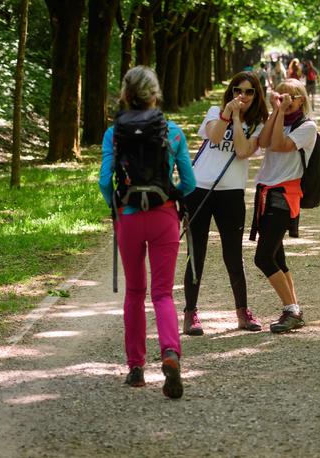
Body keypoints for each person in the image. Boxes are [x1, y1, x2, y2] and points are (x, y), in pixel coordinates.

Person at [98, 66, 195, 397]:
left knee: (135, 293)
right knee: (163, 293)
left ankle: (136, 369)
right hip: (164, 215)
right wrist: (175, 195)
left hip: (129, 217)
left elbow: (103, 181)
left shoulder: (114, 133)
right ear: (156, 94)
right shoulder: (174, 132)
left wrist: (117, 203)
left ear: (125, 94)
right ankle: (170, 352)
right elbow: (190, 183)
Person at [183, 71, 269, 336]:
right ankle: (190, 314)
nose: (242, 96)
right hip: (199, 189)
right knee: (196, 253)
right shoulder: (213, 111)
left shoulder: (257, 124)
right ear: (230, 92)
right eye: (237, 90)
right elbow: (215, 137)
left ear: (257, 95)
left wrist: (237, 119)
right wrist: (227, 115)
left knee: (233, 255)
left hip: (231, 193)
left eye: (249, 91)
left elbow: (243, 151)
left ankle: (242, 312)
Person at [251, 78, 317, 333]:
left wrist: (279, 111)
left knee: (263, 257)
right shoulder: (277, 118)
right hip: (266, 193)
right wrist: (276, 111)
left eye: (291, 97)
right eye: (281, 95)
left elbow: (280, 144)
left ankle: (291, 310)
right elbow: (266, 142)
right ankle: (294, 308)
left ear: (302, 99)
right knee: (277, 255)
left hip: (284, 195)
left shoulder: (307, 127)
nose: (285, 100)